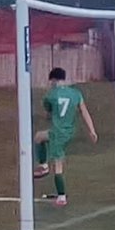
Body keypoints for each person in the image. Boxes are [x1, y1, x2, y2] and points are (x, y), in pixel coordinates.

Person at [33, 68, 98, 207]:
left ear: (54, 80)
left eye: (51, 81)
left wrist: (51, 113)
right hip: (69, 132)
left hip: (58, 133)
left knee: (58, 164)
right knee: (39, 137)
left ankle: (61, 196)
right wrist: (92, 131)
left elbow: (48, 110)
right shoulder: (76, 93)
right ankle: (43, 165)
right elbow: (84, 112)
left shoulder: (51, 94)